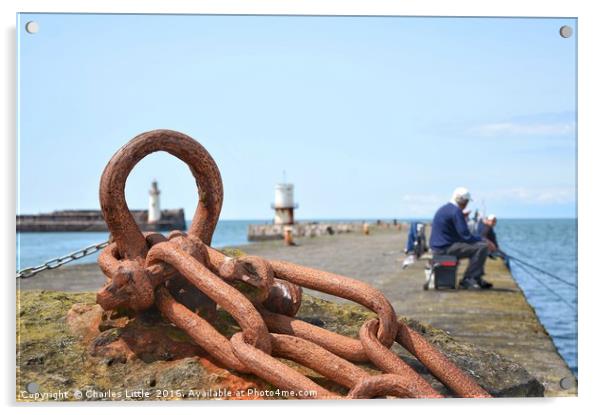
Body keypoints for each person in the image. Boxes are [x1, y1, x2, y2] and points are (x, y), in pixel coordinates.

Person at [429, 187, 496, 289]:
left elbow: (457, 234)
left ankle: (476, 278)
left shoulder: (445, 208)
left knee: (479, 246)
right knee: (482, 247)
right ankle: (469, 279)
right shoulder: (456, 211)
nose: (467, 204)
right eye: (467, 201)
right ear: (462, 200)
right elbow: (466, 236)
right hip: (444, 249)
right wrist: (486, 240)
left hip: (438, 247)